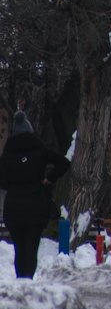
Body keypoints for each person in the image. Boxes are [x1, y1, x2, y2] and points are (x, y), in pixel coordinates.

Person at [0, 111, 71, 279]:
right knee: (31, 248)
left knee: (19, 249)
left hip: (14, 207)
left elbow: (2, 182)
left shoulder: (7, 156)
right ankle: (28, 282)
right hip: (36, 206)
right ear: (30, 130)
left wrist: (13, 183)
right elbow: (63, 163)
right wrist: (48, 179)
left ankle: (20, 282)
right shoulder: (40, 151)